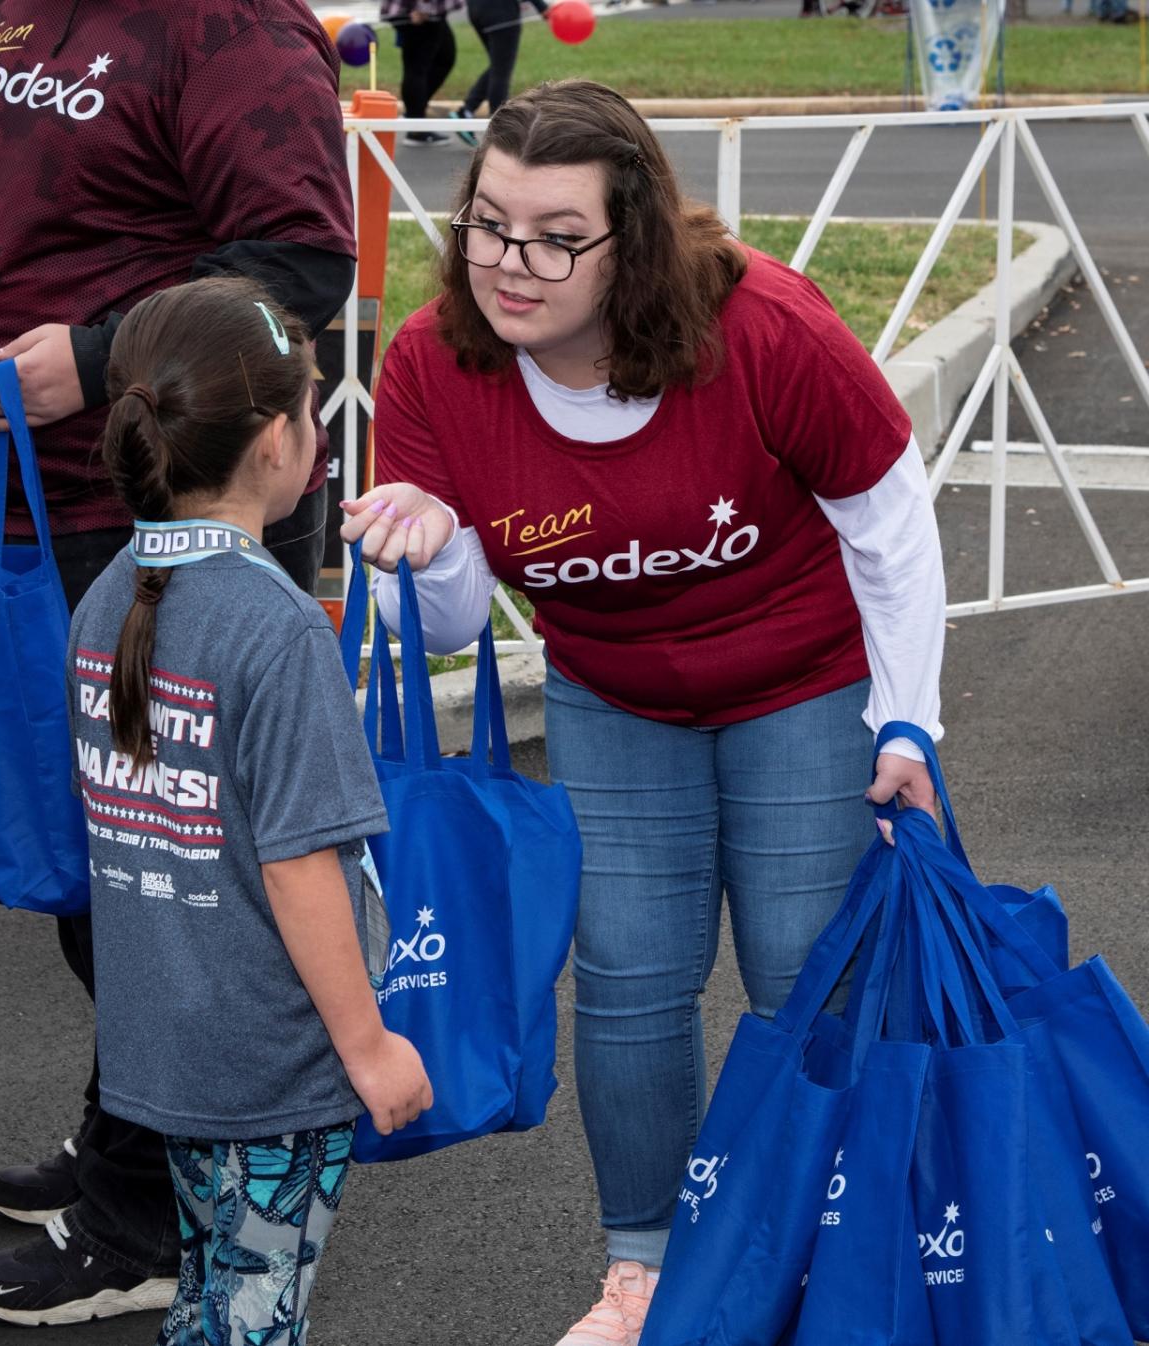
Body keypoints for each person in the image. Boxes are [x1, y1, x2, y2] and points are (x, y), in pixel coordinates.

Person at [340, 79, 944, 1346]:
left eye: (558, 235)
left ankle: (828, 1251)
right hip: (612, 691)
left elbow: (888, 518)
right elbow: (446, 626)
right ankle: (647, 1275)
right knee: (625, 980)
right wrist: (436, 544)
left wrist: (908, 724)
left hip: (801, 677)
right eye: (489, 224)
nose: (512, 263)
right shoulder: (434, 364)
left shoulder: (763, 326)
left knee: (801, 972)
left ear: (637, 239)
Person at [0, 0, 357, 1326]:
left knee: (165, 871)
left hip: (159, 509)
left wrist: (87, 353)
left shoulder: (227, 20)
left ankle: (151, 1218)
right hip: (32, 513)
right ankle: (134, 1140)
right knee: (100, 871)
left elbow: (299, 263)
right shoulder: (14, 10)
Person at [70, 276, 431, 1345]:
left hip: (165, 1048)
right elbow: (299, 864)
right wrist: (366, 1046)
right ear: (277, 440)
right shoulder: (276, 628)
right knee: (253, 1316)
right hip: (269, 1065)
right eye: (313, 407)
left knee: (215, 1299)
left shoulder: (110, 593)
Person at [448, 0, 549, 147]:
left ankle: (466, 112)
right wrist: (542, 7)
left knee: (498, 65)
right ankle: (499, 131)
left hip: (477, 10)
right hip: (501, 12)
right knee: (501, 71)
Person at [380, 0, 464, 146]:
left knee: (445, 58)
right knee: (417, 68)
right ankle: (416, 128)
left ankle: (414, 113)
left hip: (430, 14)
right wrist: (425, 7)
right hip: (420, 14)